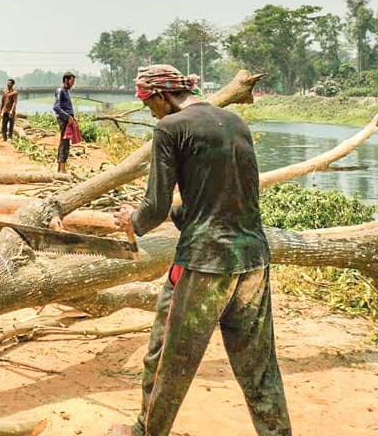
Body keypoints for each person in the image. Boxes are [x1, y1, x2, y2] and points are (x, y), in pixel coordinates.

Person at [110, 65, 291, 436]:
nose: (149, 110)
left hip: (203, 263)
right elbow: (231, 197)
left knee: (167, 361)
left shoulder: (169, 129)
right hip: (253, 259)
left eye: (148, 102)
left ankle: (146, 432)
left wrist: (133, 220)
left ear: (162, 95)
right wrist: (181, 214)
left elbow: (155, 207)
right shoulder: (236, 122)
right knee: (259, 368)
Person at [52, 72, 79, 173]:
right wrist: (68, 117)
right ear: (66, 80)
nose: (73, 84)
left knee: (64, 143)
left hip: (68, 120)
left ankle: (60, 169)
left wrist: (72, 118)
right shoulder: (60, 91)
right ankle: (62, 170)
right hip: (64, 121)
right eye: (72, 81)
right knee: (65, 143)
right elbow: (56, 107)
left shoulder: (66, 92)